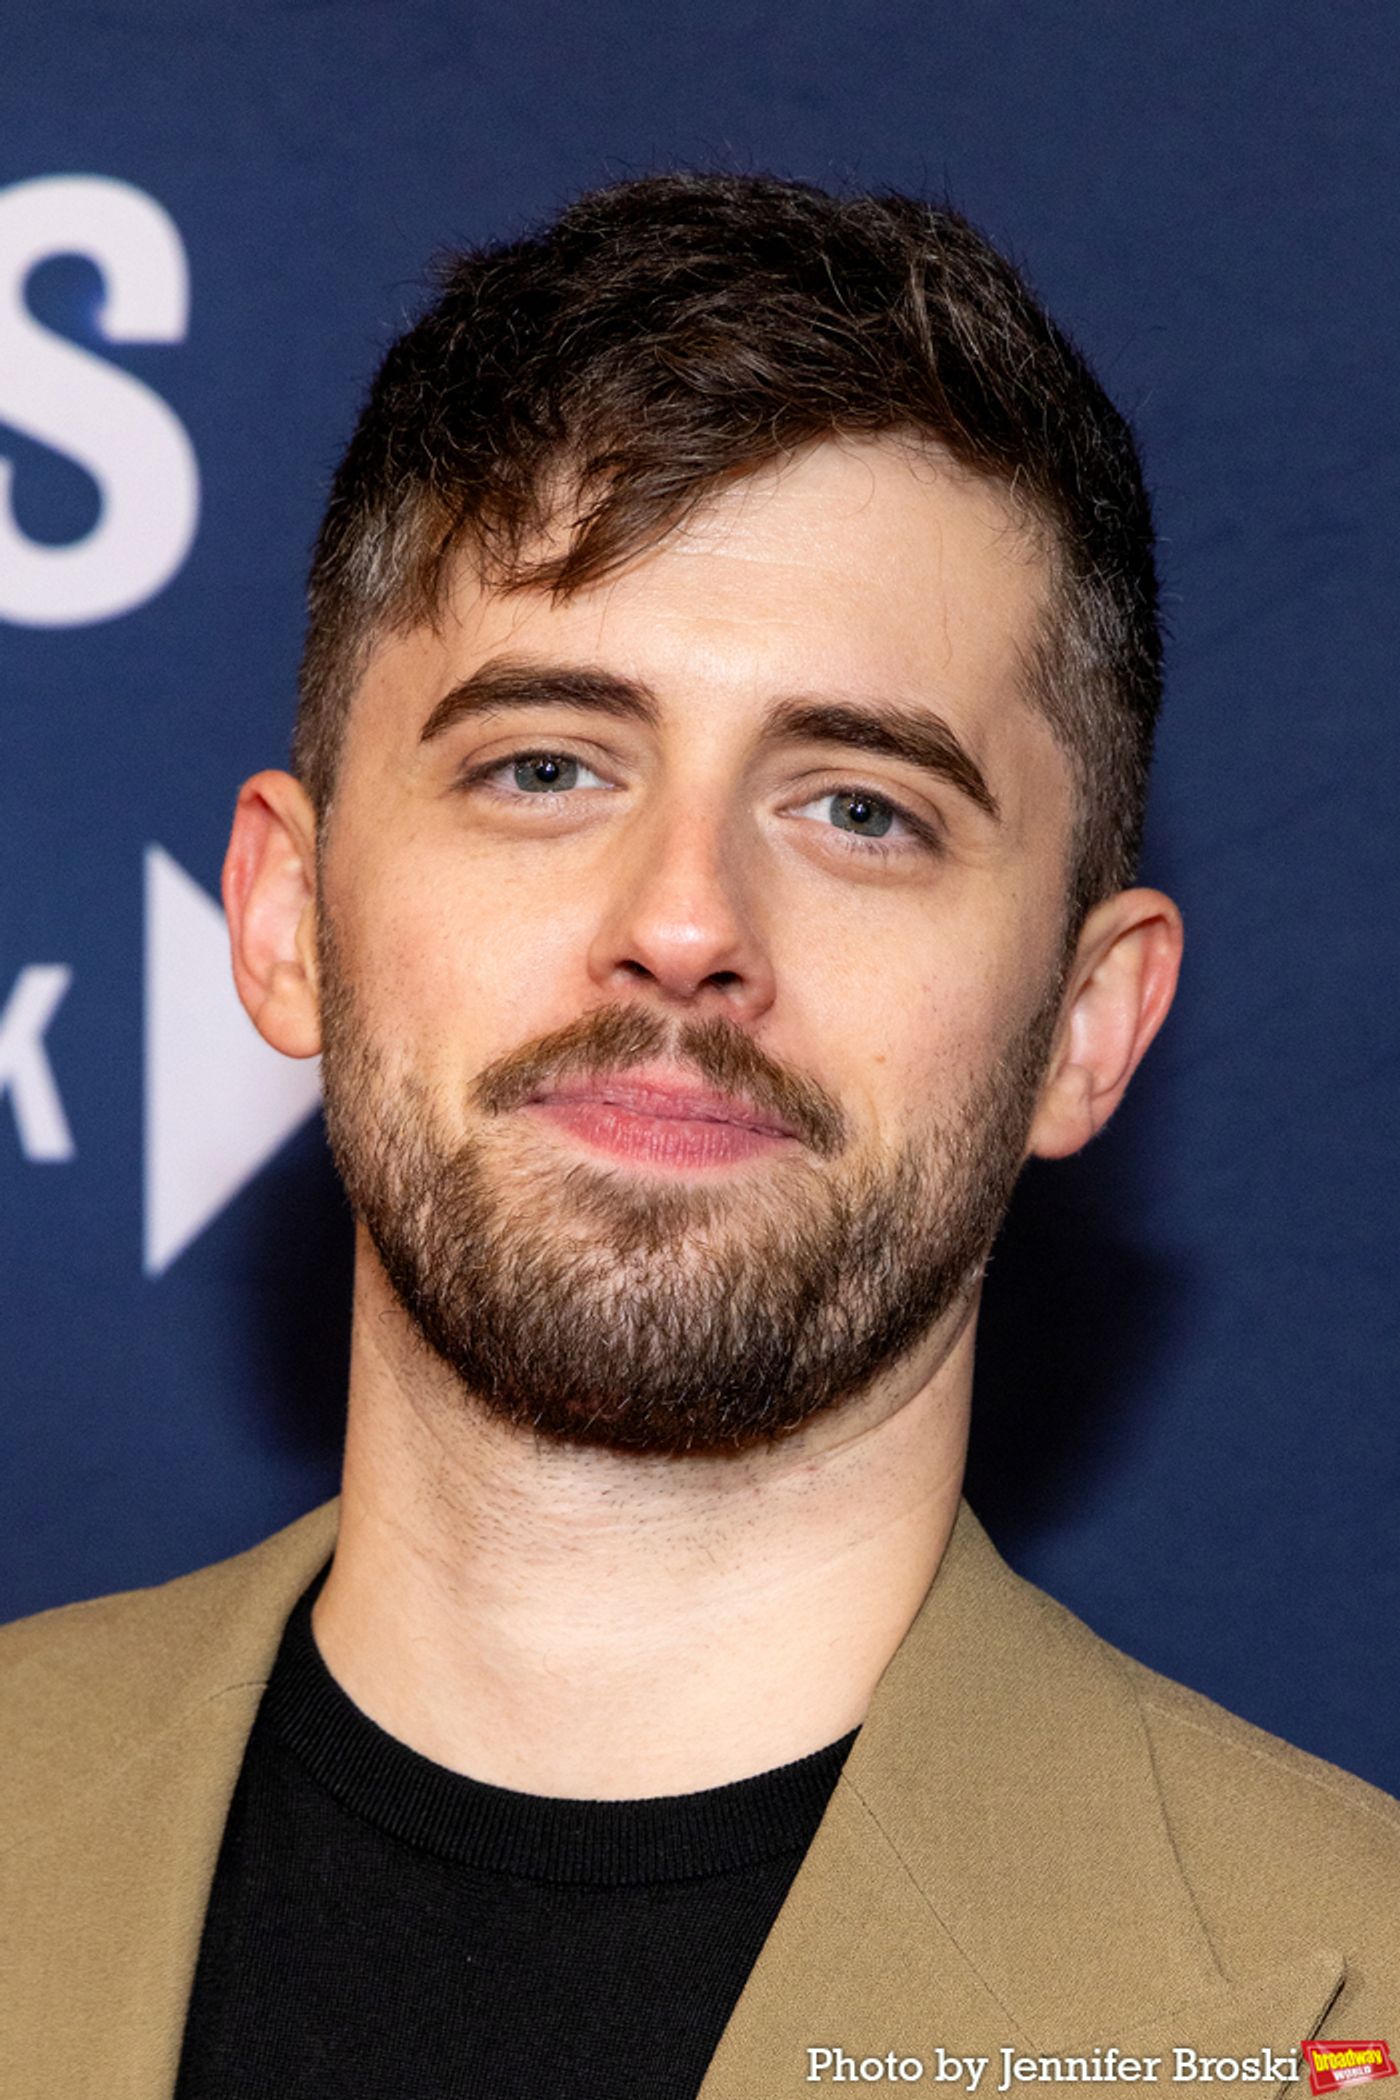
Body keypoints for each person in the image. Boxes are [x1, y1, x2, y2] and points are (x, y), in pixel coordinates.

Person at [2, 173, 1396, 2100]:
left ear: (1089, 1026)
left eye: (861, 809)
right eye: (545, 766)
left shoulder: (1354, 2010)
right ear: (285, 922)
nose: (683, 922)